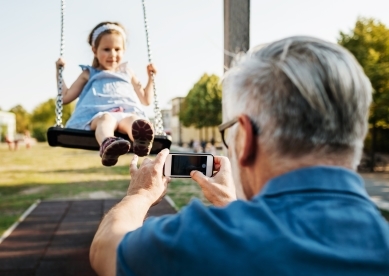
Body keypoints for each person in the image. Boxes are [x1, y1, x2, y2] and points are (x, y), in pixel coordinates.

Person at [90, 36, 389, 275]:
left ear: (244, 138)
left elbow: (106, 250)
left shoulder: (204, 241)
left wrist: (140, 194)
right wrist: (230, 205)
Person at [55, 21, 156, 166]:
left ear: (124, 50)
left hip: (126, 113)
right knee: (106, 119)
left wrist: (151, 78)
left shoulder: (128, 72)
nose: (112, 54)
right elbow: (64, 98)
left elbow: (146, 100)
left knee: (134, 120)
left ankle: (141, 141)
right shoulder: (89, 73)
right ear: (95, 50)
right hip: (98, 114)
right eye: (106, 49)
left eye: (117, 49)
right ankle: (108, 144)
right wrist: (58, 72)